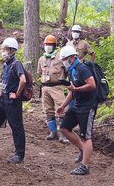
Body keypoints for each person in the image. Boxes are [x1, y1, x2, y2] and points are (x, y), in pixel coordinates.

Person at [56, 45, 97, 175]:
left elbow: (92, 85)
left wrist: (76, 90)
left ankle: (85, 166)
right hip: (76, 105)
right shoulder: (71, 70)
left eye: (64, 59)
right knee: (64, 128)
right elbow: (72, 90)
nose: (63, 62)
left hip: (87, 106)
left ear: (72, 57)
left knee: (86, 136)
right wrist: (63, 105)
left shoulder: (82, 68)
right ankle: (82, 150)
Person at [37, 35, 68, 143]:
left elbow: (67, 71)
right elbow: (39, 73)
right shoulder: (41, 59)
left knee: (61, 110)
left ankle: (63, 135)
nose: (48, 46)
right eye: (46, 44)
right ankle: (53, 132)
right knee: (48, 111)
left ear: (54, 46)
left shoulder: (60, 58)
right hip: (45, 87)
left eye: (50, 44)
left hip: (57, 87)